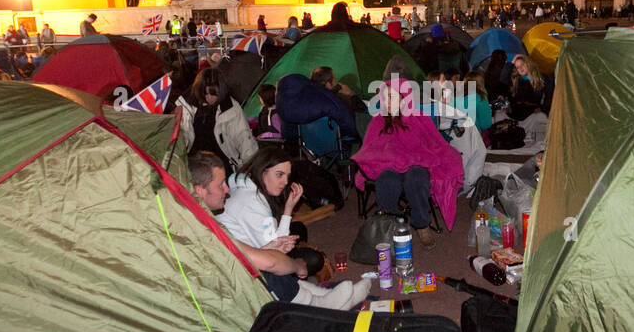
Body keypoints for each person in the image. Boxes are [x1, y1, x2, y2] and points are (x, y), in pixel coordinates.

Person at [191, 152, 370, 309]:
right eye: (279, 175)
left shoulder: (249, 194)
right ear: (263, 172)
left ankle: (322, 297)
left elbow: (262, 248)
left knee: (297, 232)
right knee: (284, 265)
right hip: (237, 279)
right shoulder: (249, 202)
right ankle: (318, 304)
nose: (285, 182)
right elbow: (269, 260)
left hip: (247, 255)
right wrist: (294, 263)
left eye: (287, 176)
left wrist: (287, 210)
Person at [352, 77, 463, 248]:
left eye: (392, 97)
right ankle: (390, 226)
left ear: (404, 98)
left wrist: (414, 157)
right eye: (385, 97)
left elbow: (433, 144)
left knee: (416, 179)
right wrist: (393, 158)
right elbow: (371, 148)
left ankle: (422, 225)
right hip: (387, 165)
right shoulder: (378, 120)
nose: (387, 101)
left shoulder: (420, 118)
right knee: (387, 181)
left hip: (417, 163)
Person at [186, 68, 257, 174]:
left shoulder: (231, 109)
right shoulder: (191, 107)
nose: (209, 97)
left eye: (213, 93)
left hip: (222, 169)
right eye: (205, 93)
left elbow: (244, 140)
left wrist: (250, 170)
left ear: (221, 90)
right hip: (197, 168)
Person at [508, 53, 553, 121]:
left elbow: (550, 95)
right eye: (517, 67)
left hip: (535, 112)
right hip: (519, 113)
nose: (520, 68)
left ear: (528, 64)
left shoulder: (541, 77)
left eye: (522, 64)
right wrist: (512, 61)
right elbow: (503, 77)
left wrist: (542, 109)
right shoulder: (517, 79)